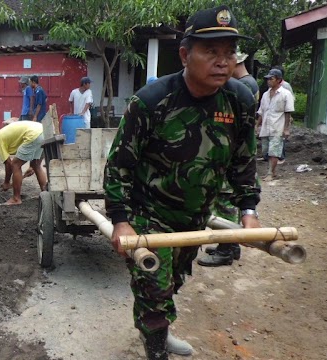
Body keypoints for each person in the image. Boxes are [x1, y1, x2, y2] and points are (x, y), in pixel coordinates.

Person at [104, 5, 261, 359]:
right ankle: (156, 346)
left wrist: (248, 209)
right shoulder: (151, 101)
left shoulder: (240, 100)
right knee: (154, 287)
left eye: (229, 52)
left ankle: (158, 327)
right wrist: (121, 220)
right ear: (185, 55)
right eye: (211, 52)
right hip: (149, 212)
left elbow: (243, 159)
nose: (223, 61)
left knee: (172, 282)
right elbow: (119, 167)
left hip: (195, 215)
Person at [198, 50, 260, 267]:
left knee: (224, 205)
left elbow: (243, 135)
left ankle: (227, 248)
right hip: (223, 160)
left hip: (230, 162)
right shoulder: (241, 84)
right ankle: (229, 245)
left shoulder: (244, 89)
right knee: (221, 205)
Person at [0, 122, 47, 206]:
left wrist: (6, 182)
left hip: (33, 135)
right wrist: (30, 167)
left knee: (15, 165)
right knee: (36, 166)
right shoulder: (2, 134)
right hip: (44, 132)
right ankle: (45, 195)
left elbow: (8, 164)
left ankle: (16, 198)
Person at [256, 68, 294, 181]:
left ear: (278, 80)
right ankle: (272, 171)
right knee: (265, 151)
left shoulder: (285, 94)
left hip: (278, 126)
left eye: (271, 79)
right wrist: (257, 125)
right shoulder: (265, 95)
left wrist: (286, 128)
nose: (268, 81)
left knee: (274, 151)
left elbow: (288, 112)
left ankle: (270, 173)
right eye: (267, 79)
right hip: (266, 126)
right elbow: (261, 111)